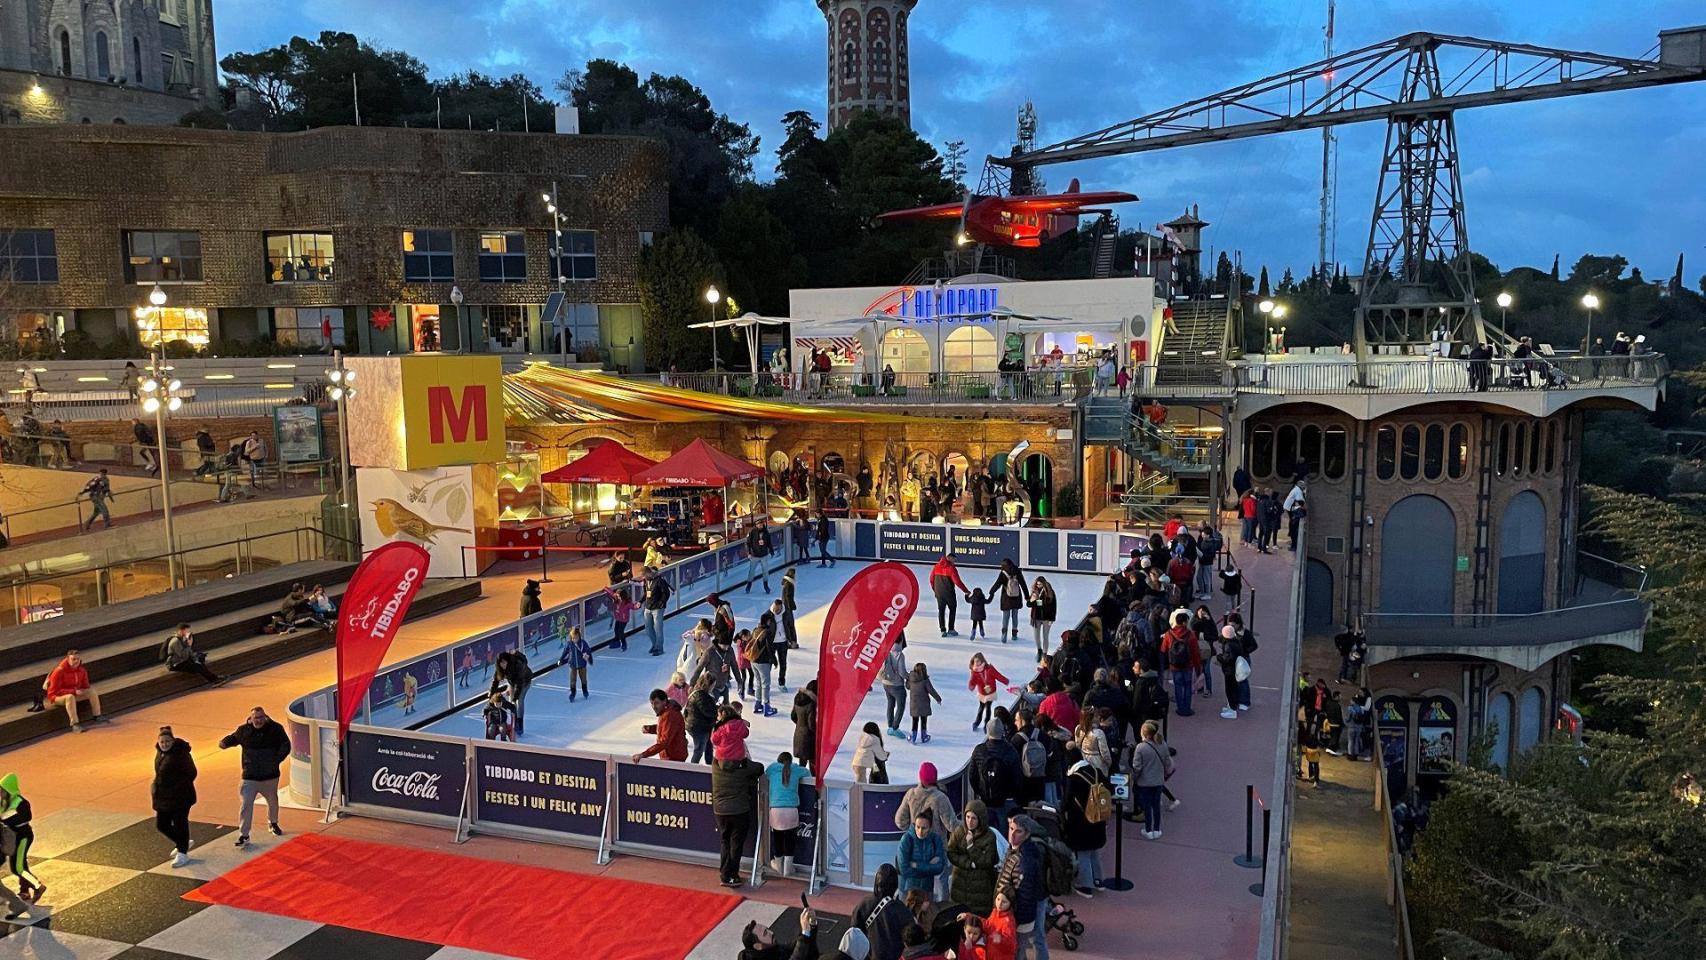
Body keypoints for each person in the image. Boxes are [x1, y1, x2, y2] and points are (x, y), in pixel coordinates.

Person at [218, 707, 289, 848]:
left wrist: (276, 760)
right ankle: (244, 834)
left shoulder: (275, 729)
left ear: (265, 717)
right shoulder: (244, 731)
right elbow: (234, 738)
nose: (259, 720)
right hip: (249, 777)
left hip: (270, 776)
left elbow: (286, 745)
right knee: (246, 805)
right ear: (251, 719)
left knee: (273, 801)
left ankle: (273, 823)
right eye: (256, 718)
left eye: (261, 717)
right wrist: (224, 743)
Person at [996, 814, 1048, 960]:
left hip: (1021, 913)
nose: (1012, 834)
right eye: (1011, 828)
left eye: (1018, 831)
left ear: (1027, 834)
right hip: (1020, 908)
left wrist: (1016, 919)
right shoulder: (1014, 849)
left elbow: (1025, 894)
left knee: (1020, 948)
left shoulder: (1026, 860)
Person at [711, 749, 766, 887]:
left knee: (725, 840)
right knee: (736, 842)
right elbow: (759, 768)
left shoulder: (715, 763)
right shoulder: (744, 765)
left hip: (720, 810)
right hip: (739, 810)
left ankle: (724, 873)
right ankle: (732, 875)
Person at [945, 799, 1002, 916]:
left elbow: (988, 860)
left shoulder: (989, 836)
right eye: (967, 817)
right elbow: (951, 852)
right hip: (960, 886)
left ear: (980, 819)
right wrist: (968, 863)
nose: (969, 821)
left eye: (974, 818)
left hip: (980, 889)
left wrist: (971, 846)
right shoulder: (959, 831)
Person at [153, 725, 198, 867]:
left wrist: (177, 786)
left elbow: (192, 773)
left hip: (181, 796)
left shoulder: (181, 754)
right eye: (162, 742)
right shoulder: (160, 753)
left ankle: (183, 853)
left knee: (180, 823)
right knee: (162, 824)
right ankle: (182, 842)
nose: (164, 744)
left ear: (173, 741)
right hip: (163, 796)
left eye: (167, 741)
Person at [1063, 759, 1109, 897]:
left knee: (1083, 854)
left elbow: (1067, 801)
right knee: (1094, 852)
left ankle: (1085, 885)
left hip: (1080, 822)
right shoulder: (1096, 772)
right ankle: (1098, 880)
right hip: (1097, 819)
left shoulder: (1073, 779)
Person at [969, 718, 1023, 832]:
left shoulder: (979, 750)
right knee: (1003, 834)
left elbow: (972, 776)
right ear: (1002, 731)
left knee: (984, 833)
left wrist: (981, 792)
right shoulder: (1010, 751)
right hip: (1005, 802)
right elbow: (1017, 778)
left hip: (984, 801)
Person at [852, 863, 914, 960]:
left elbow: (854, 932)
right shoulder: (901, 909)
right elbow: (911, 938)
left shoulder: (864, 903)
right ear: (895, 884)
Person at [0, 773, 43, 906]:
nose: (0, 792)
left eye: (2, 790)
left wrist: (5, 818)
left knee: (18, 866)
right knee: (19, 864)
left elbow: (22, 818)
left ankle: (37, 886)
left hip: (23, 836)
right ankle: (24, 890)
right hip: (11, 837)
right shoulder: (4, 802)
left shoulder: (21, 803)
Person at [1131, 720, 1174, 839]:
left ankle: (1148, 829)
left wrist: (1134, 777)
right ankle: (1157, 829)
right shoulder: (1162, 744)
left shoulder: (1141, 747)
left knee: (1147, 806)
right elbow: (1167, 761)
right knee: (1156, 805)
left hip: (1145, 782)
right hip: (1158, 780)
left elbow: (1137, 767)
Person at [45, 649, 105, 732]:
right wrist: (73, 691)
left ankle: (97, 716)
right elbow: (53, 692)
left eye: (78, 659)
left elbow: (86, 686)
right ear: (68, 659)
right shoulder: (59, 671)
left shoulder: (82, 670)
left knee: (91, 691)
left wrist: (84, 691)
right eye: (73, 659)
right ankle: (75, 724)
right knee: (70, 697)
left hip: (74, 693)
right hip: (56, 697)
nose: (76, 661)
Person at [765, 751, 804, 878]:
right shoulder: (796, 770)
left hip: (776, 810)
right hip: (791, 810)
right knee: (790, 838)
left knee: (777, 837)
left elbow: (766, 773)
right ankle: (788, 867)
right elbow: (808, 774)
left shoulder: (772, 769)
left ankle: (778, 865)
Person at [740, 907, 821, 960]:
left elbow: (791, 948)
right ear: (758, 946)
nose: (771, 932)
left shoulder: (770, 949)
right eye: (765, 933)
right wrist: (805, 934)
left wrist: (811, 925)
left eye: (767, 929)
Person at [898, 809, 947, 896]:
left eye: (924, 828)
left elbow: (939, 867)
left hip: (927, 890)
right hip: (908, 890)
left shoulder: (935, 839)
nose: (920, 831)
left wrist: (916, 865)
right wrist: (929, 866)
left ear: (930, 828)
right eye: (918, 827)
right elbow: (904, 869)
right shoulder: (906, 839)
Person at [633, 688, 687, 762]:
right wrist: (650, 729)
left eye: (656, 703)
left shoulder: (670, 714)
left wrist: (644, 754)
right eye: (652, 703)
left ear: (664, 701)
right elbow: (667, 728)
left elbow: (664, 741)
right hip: (671, 757)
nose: (654, 707)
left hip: (673, 758)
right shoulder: (666, 712)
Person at [929, 552, 971, 636]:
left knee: (941, 611)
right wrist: (966, 591)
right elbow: (957, 582)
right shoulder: (951, 568)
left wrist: (935, 590)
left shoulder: (936, 566)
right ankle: (951, 629)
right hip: (949, 593)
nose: (954, 562)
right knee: (952, 609)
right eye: (954, 560)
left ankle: (942, 630)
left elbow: (931, 579)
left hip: (939, 593)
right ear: (950, 558)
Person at [989, 559, 1029, 644]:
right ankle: (1014, 634)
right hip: (1016, 597)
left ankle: (1004, 634)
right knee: (1015, 616)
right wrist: (1027, 596)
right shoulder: (1017, 571)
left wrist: (991, 591)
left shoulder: (1003, 572)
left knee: (1005, 616)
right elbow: (1023, 584)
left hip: (1006, 597)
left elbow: (997, 584)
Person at [686, 675, 719, 764]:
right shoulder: (700, 695)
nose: (714, 687)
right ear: (708, 685)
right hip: (698, 726)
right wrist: (718, 712)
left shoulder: (700, 693)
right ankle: (693, 767)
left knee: (709, 747)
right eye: (713, 685)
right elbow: (707, 711)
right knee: (699, 749)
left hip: (702, 725)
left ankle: (709, 764)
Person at [881, 635, 910, 736]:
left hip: (885, 682)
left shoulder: (886, 650)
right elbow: (902, 672)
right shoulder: (899, 655)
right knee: (900, 706)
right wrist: (909, 676)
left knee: (890, 704)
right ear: (901, 641)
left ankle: (890, 726)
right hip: (897, 685)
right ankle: (895, 727)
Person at [907, 662, 942, 744]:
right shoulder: (925, 680)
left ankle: (914, 737)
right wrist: (938, 699)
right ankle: (924, 736)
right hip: (924, 704)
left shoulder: (911, 678)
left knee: (915, 721)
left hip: (914, 704)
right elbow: (931, 690)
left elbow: (908, 687)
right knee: (923, 720)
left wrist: (907, 680)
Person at [641, 566, 672, 657]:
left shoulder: (659, 581)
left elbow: (666, 593)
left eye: (644, 575)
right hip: (648, 608)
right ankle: (654, 645)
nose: (643, 577)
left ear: (648, 573)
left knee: (658, 629)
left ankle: (659, 648)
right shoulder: (646, 581)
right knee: (648, 628)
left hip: (657, 609)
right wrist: (640, 602)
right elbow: (646, 594)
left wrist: (661, 603)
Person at [558, 626, 593, 702]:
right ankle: (572, 693)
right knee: (572, 680)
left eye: (576, 637)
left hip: (582, 664)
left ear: (579, 636)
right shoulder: (569, 644)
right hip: (572, 665)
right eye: (573, 638)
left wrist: (588, 657)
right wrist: (561, 659)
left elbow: (588, 651)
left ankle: (585, 691)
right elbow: (565, 652)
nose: (574, 639)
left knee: (583, 679)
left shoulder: (583, 643)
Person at [791, 680, 818, 777]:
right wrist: (818, 733)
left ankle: (799, 782)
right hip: (809, 738)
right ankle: (813, 785)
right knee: (813, 763)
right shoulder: (812, 704)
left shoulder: (798, 698)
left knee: (801, 763)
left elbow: (793, 716)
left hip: (798, 734)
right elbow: (811, 724)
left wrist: (800, 725)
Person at [1027, 578, 1056, 662]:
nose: (1038, 586)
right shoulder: (1034, 591)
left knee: (1045, 636)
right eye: (1037, 584)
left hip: (1046, 617)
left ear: (1044, 584)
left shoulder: (1050, 592)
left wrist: (1052, 618)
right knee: (1036, 636)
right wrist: (1033, 600)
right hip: (1036, 617)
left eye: (1040, 584)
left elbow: (1052, 606)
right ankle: (1039, 650)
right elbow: (1028, 604)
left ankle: (1044, 653)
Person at [602, 583, 637, 651]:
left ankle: (624, 644)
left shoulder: (627, 603)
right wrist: (605, 588)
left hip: (624, 620)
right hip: (618, 618)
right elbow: (611, 593)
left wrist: (637, 606)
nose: (617, 597)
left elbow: (633, 606)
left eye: (619, 596)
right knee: (616, 630)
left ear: (623, 596)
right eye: (617, 595)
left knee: (620, 631)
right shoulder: (616, 598)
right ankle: (617, 642)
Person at [745, 521, 775, 593]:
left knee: (765, 571)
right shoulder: (752, 532)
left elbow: (769, 542)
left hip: (764, 554)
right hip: (754, 555)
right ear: (756, 525)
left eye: (761, 525)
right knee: (752, 571)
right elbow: (747, 543)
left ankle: (766, 586)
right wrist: (748, 553)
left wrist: (771, 551)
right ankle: (749, 585)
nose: (760, 526)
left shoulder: (766, 532)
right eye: (759, 525)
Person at [81, 467, 114, 531]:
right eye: (101, 473)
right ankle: (107, 524)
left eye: (102, 473)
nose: (101, 474)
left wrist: (111, 497)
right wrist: (83, 492)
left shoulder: (104, 480)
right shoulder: (98, 479)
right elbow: (89, 486)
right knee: (104, 510)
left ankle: (87, 524)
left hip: (99, 497)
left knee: (96, 512)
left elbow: (107, 489)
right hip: (96, 497)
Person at [1283, 479, 1307, 552]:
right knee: (1294, 527)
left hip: (1289, 508)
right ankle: (1294, 545)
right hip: (1291, 509)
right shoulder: (1298, 491)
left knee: (1292, 524)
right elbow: (1301, 501)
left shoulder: (1296, 489)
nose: (1304, 488)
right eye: (1303, 486)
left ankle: (1292, 535)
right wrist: (1305, 508)